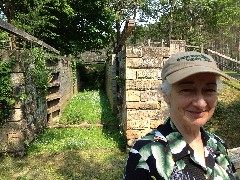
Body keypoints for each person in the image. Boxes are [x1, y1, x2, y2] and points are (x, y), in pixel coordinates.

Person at [123, 51, 239, 180]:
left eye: (209, 90)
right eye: (187, 90)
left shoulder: (218, 145)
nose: (200, 103)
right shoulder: (145, 154)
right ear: (166, 94)